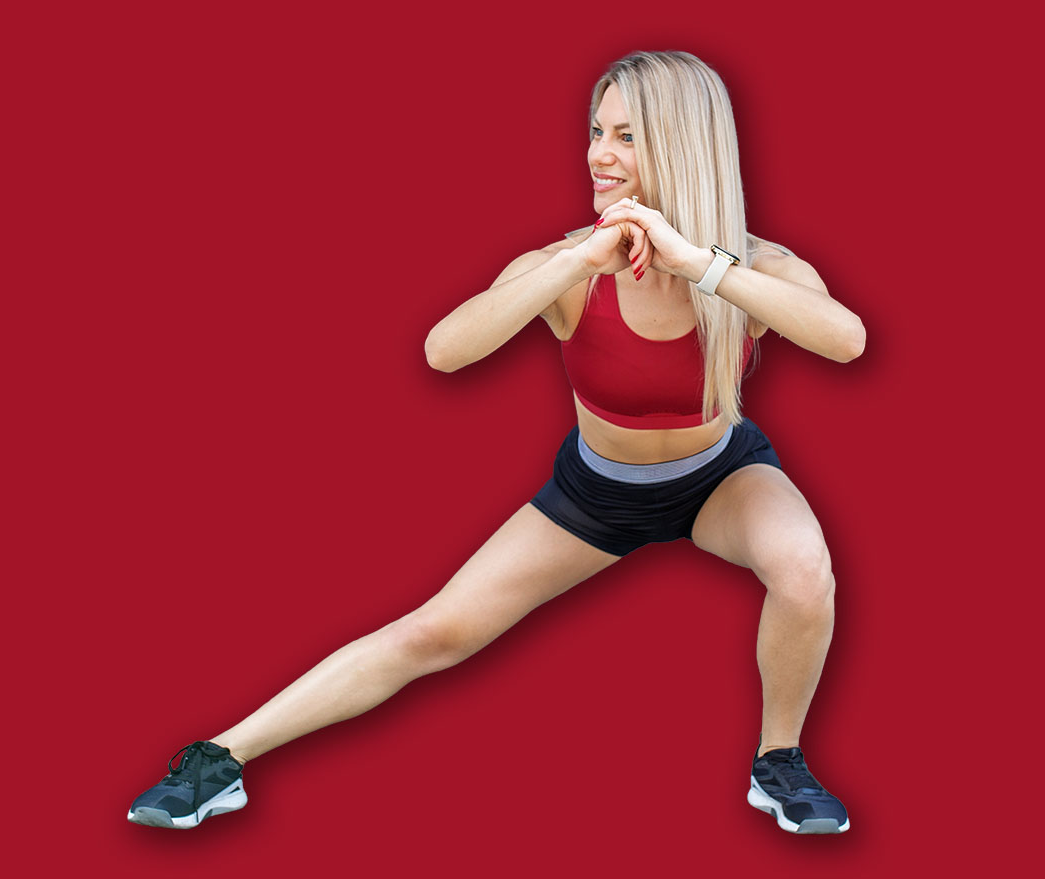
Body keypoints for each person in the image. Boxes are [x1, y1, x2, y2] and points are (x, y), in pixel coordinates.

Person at [127, 50, 866, 835]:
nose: (596, 155)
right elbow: (445, 351)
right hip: (595, 492)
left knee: (803, 567)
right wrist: (578, 258)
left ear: (684, 145)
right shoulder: (566, 268)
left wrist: (699, 264)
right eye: (594, 132)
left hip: (720, 478)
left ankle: (777, 760)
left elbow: (846, 340)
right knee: (434, 632)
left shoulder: (752, 268)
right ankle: (221, 759)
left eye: (625, 136)